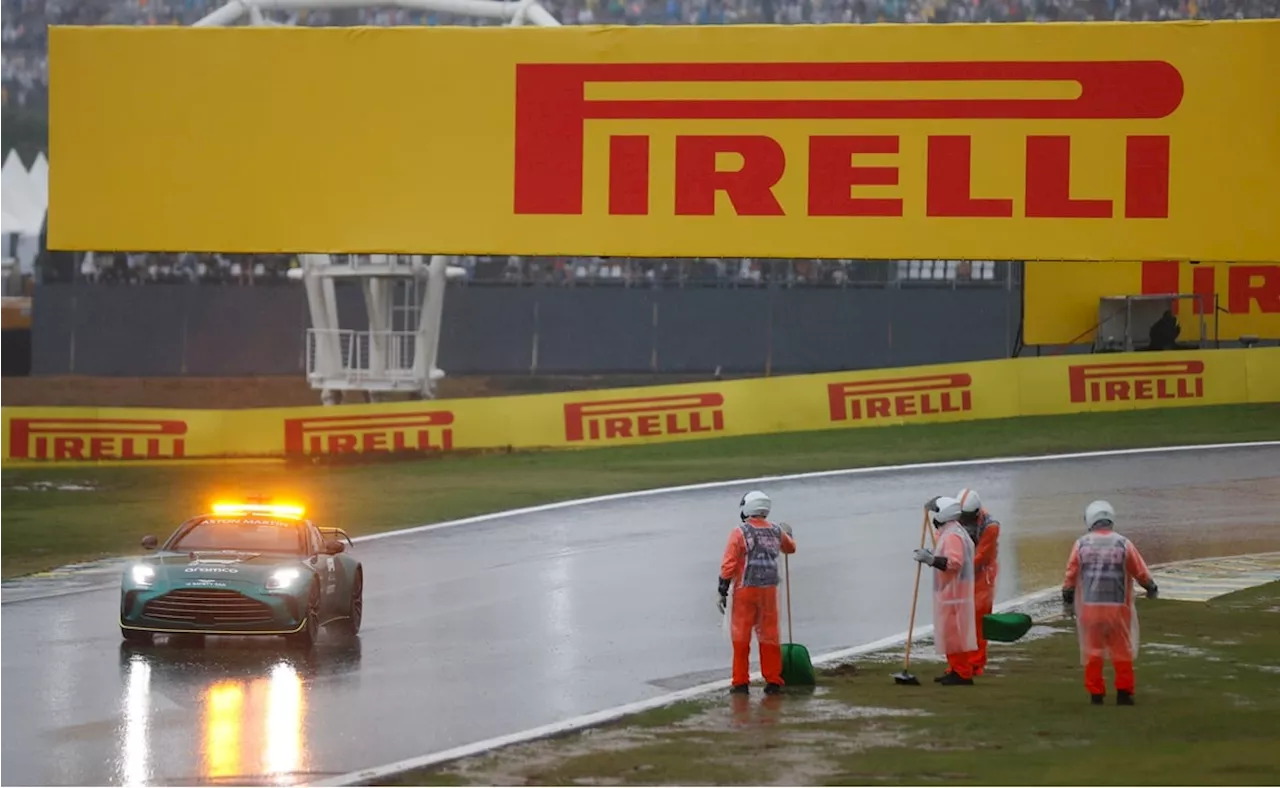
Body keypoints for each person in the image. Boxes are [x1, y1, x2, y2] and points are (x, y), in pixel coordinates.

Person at [1062, 500, 1159, 706]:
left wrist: (1068, 601)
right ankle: (1124, 693)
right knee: (1121, 652)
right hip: (1118, 609)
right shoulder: (1123, 543)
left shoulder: (1081, 544)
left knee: (1092, 652)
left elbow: (1070, 576)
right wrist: (1151, 587)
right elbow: (1140, 571)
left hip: (1090, 609)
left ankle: (1096, 694)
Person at [718, 489, 796, 695]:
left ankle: (741, 682)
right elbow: (790, 548)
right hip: (769, 591)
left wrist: (722, 588)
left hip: (746, 590)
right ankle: (773, 680)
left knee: (741, 637)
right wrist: (788, 533)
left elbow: (729, 564)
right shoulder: (776, 531)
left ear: (748, 507)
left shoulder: (739, 533)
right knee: (769, 636)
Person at [913, 496, 979, 685]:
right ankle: (955, 668)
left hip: (954, 591)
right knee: (951, 632)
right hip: (952, 589)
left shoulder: (953, 536)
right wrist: (930, 555)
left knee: (954, 632)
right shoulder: (951, 531)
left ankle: (962, 673)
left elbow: (954, 563)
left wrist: (931, 560)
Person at [956, 487, 1000, 676]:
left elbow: (981, 555)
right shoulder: (955, 517)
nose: (964, 521)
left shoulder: (990, 526)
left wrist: (957, 569)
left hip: (982, 575)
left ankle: (976, 663)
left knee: (979, 620)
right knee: (959, 619)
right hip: (960, 572)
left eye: (967, 517)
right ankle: (960, 662)